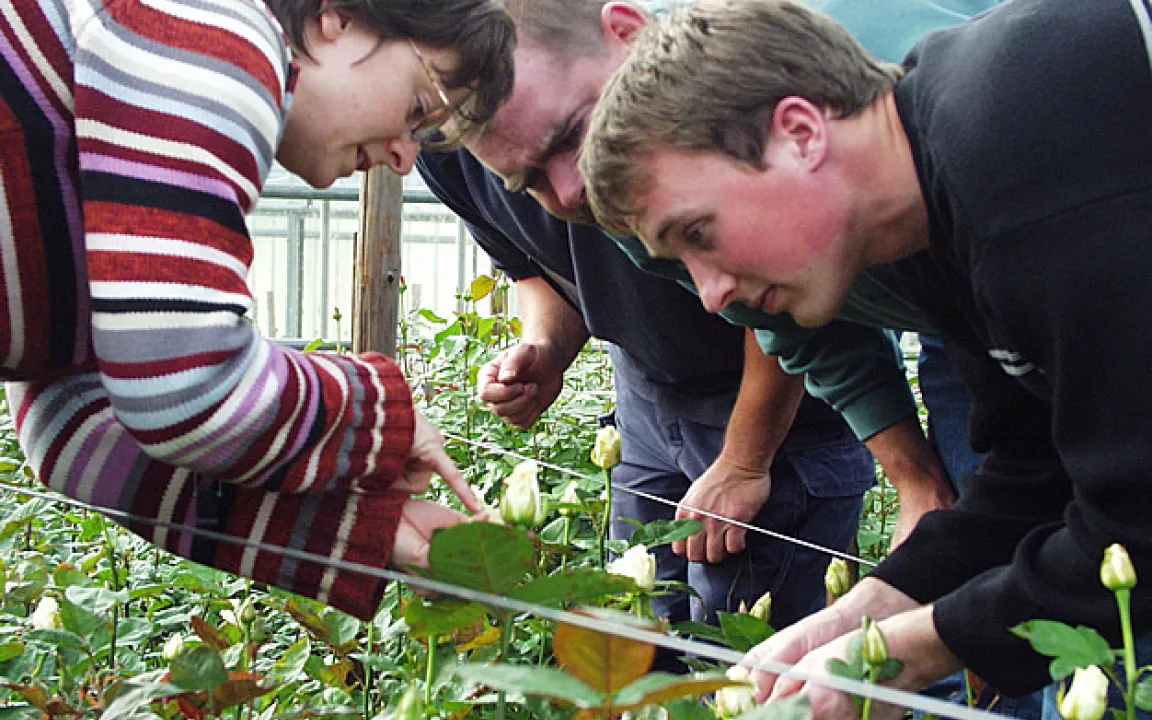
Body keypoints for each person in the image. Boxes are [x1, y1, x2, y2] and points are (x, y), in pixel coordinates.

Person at [581, 0, 1152, 715]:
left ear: (800, 133)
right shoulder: (932, 202)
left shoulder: (1023, 160)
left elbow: (1137, 519)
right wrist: (869, 610)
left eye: (698, 233)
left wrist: (919, 649)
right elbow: (1035, 468)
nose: (709, 294)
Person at [417, 0, 960, 633]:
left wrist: (749, 459)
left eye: (571, 135)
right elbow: (793, 326)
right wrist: (916, 484)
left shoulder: (740, 83)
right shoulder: (606, 186)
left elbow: (802, 315)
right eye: (528, 179)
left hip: (804, 394)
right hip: (661, 385)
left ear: (627, 34)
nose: (569, 189)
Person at [0, 0, 514, 621]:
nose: (406, 157)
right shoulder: (207, 29)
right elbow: (183, 386)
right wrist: (378, 417)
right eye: (417, 109)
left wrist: (371, 525)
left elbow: (70, 424)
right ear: (339, 17)